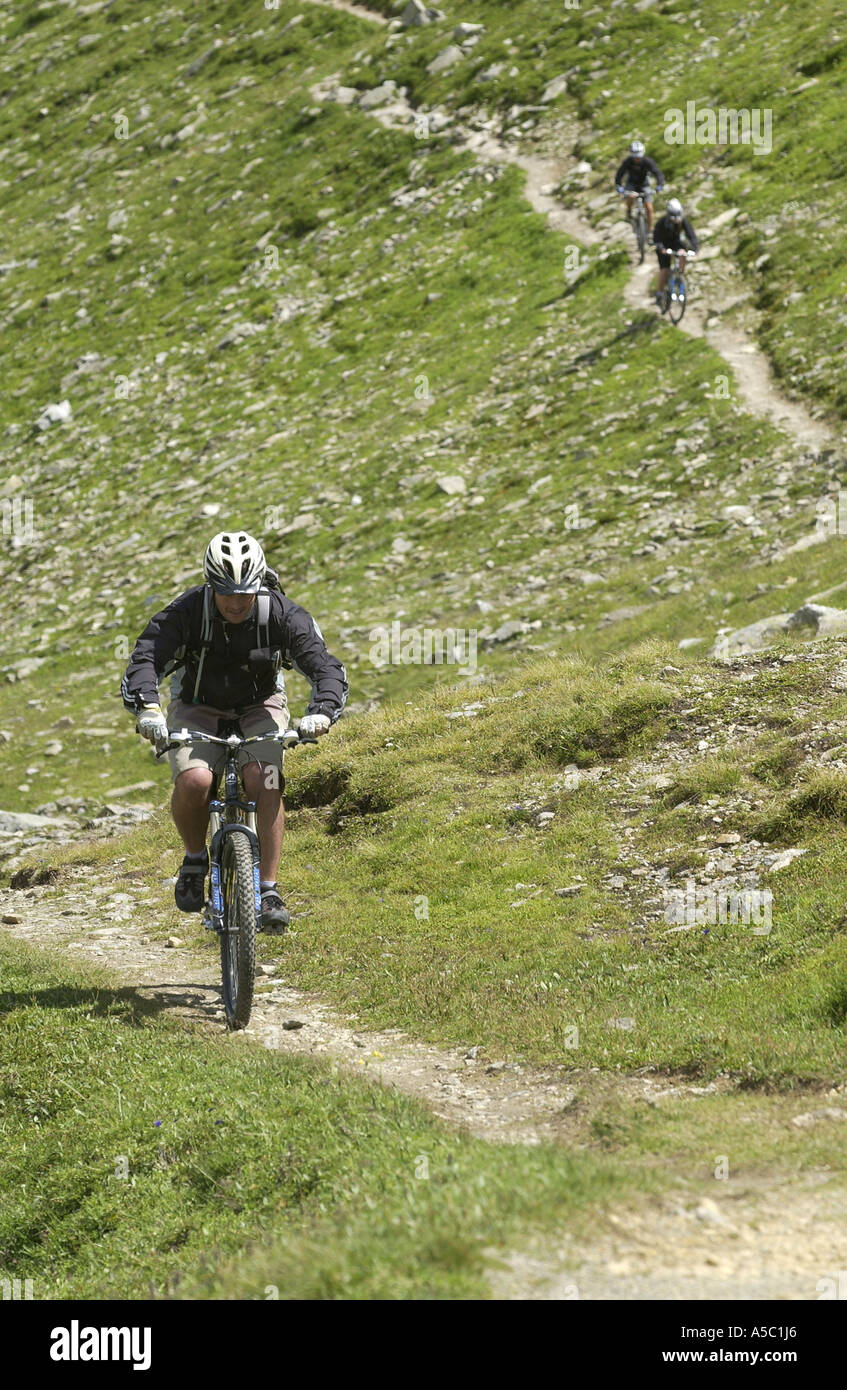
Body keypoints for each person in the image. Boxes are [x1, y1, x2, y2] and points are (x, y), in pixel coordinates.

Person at [121, 531, 348, 931]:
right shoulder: (186, 613)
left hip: (260, 706)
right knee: (194, 781)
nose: (238, 602)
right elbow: (145, 659)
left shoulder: (280, 613)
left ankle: (269, 889)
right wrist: (149, 711)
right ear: (211, 585)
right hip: (196, 707)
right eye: (227, 594)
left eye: (246, 592)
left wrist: (322, 713)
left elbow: (325, 667)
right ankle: (194, 860)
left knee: (268, 779)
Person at [652, 197, 699, 305]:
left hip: (675, 243)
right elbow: (656, 238)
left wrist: (695, 248)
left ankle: (680, 276)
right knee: (664, 270)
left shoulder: (683, 221)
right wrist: (661, 248)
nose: (675, 219)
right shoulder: (661, 222)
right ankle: (659, 293)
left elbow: (691, 235)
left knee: (682, 253)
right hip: (663, 247)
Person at [614, 140, 664, 233]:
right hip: (631, 184)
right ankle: (629, 211)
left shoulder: (647, 161)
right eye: (635, 157)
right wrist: (619, 186)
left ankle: (649, 231)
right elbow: (619, 175)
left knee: (649, 208)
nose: (637, 159)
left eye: (639, 157)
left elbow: (657, 173)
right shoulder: (628, 162)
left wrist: (660, 185)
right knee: (630, 197)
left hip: (644, 184)